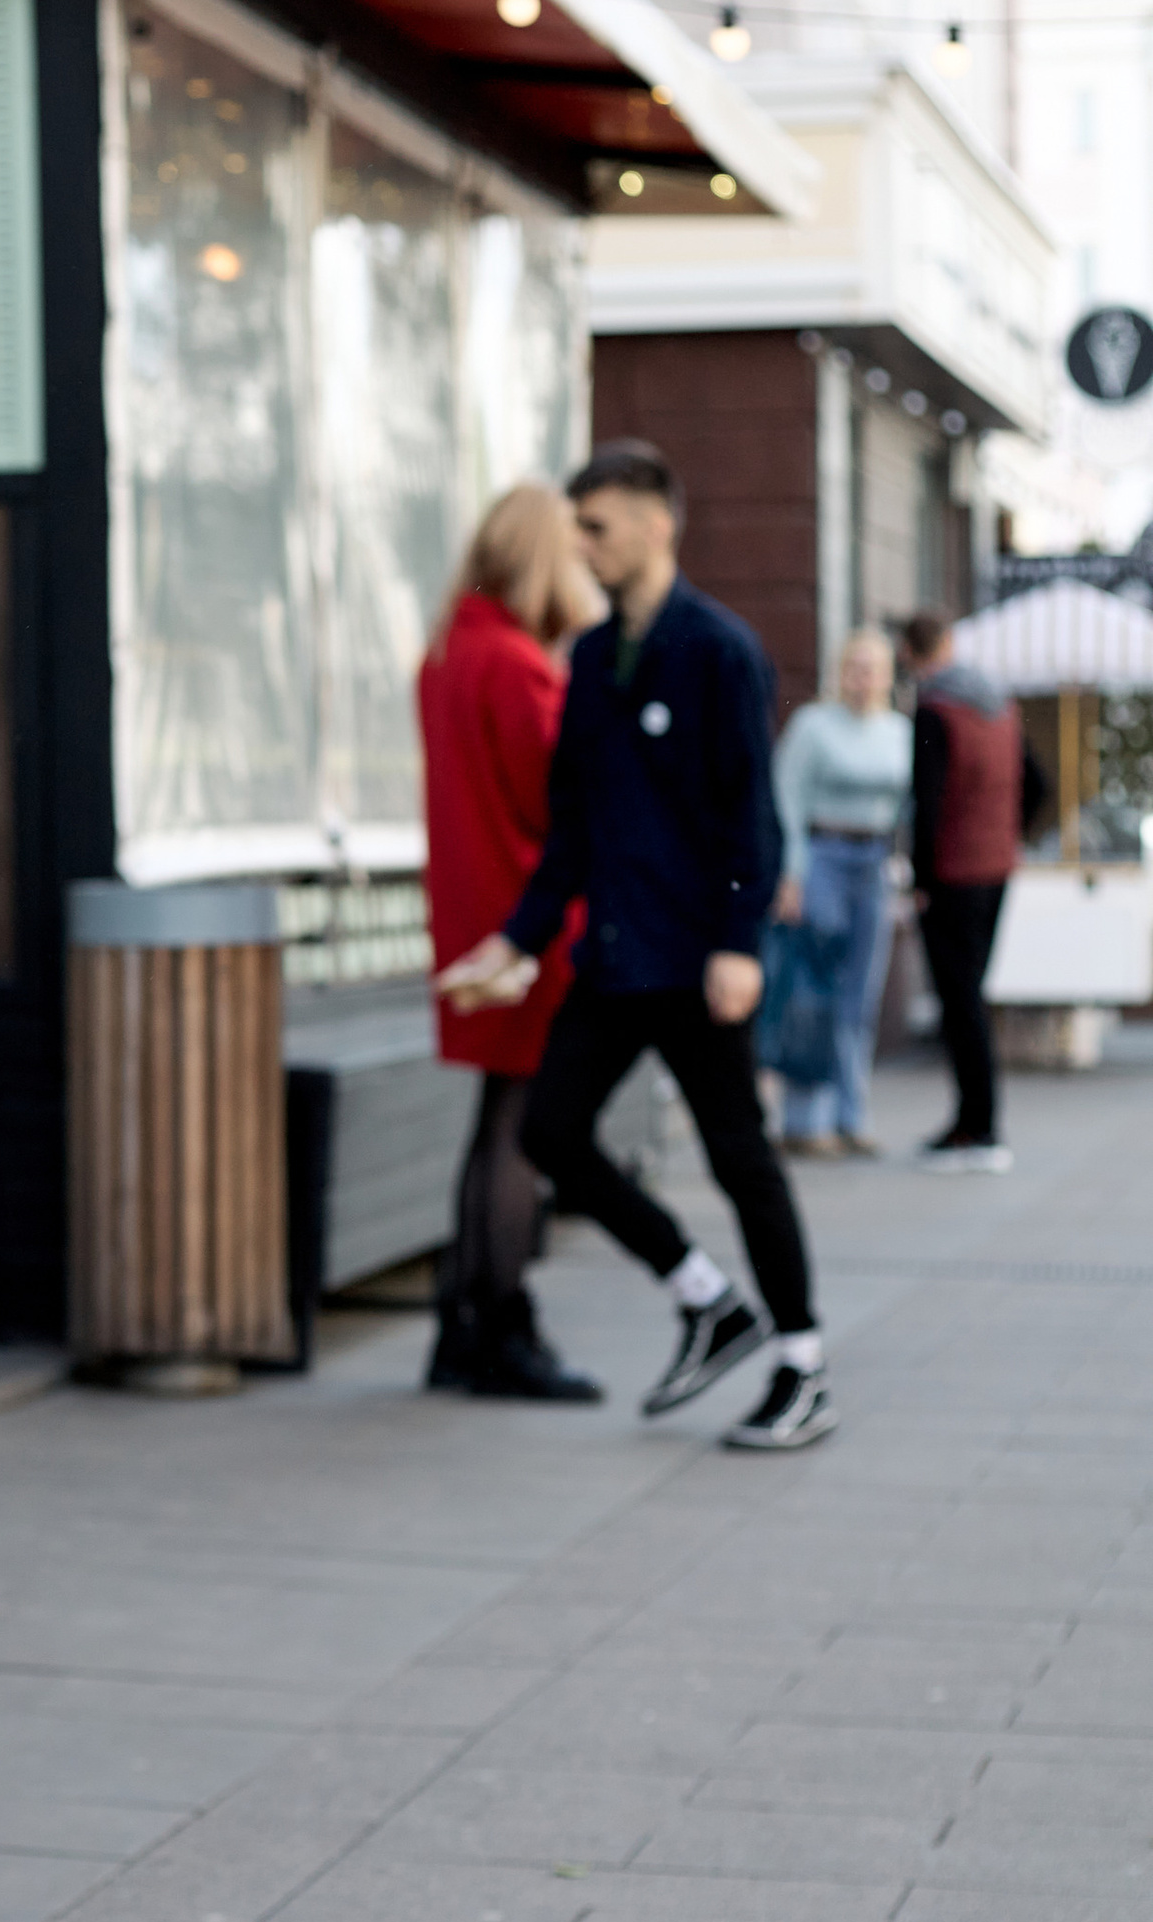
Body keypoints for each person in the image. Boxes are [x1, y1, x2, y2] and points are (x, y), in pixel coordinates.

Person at [435, 437, 834, 1452]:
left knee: (740, 1157)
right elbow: (571, 831)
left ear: (657, 525)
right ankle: (708, 1300)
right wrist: (514, 943)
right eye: (576, 529)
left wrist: (738, 942)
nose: (583, 546)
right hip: (614, 962)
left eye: (598, 527)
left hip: (696, 963)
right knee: (550, 1133)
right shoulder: (594, 663)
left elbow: (751, 816)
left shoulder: (717, 651)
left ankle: (801, 1367)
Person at [418, 483, 603, 1401]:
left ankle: (462, 1326)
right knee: (519, 1132)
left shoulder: (449, 652)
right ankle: (501, 1327)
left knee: (496, 1124)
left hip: (473, 921)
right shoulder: (521, 665)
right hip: (528, 930)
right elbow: (560, 807)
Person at [898, 608, 1048, 1172]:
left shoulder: (937, 709)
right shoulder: (998, 704)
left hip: (954, 874)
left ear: (913, 653)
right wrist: (1008, 835)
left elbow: (927, 804)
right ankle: (970, 1122)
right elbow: (1040, 784)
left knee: (959, 1003)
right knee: (969, 999)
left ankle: (979, 1130)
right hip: (995, 869)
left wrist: (920, 879)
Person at [769, 627, 912, 1158]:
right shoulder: (812, 726)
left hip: (873, 862)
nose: (862, 678)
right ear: (839, 672)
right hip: (821, 857)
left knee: (861, 994)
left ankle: (853, 1113)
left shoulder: (897, 731)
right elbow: (788, 798)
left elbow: (905, 806)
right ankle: (805, 1119)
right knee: (812, 987)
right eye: (854, 666)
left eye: (872, 668)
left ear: (887, 676)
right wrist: (791, 873)